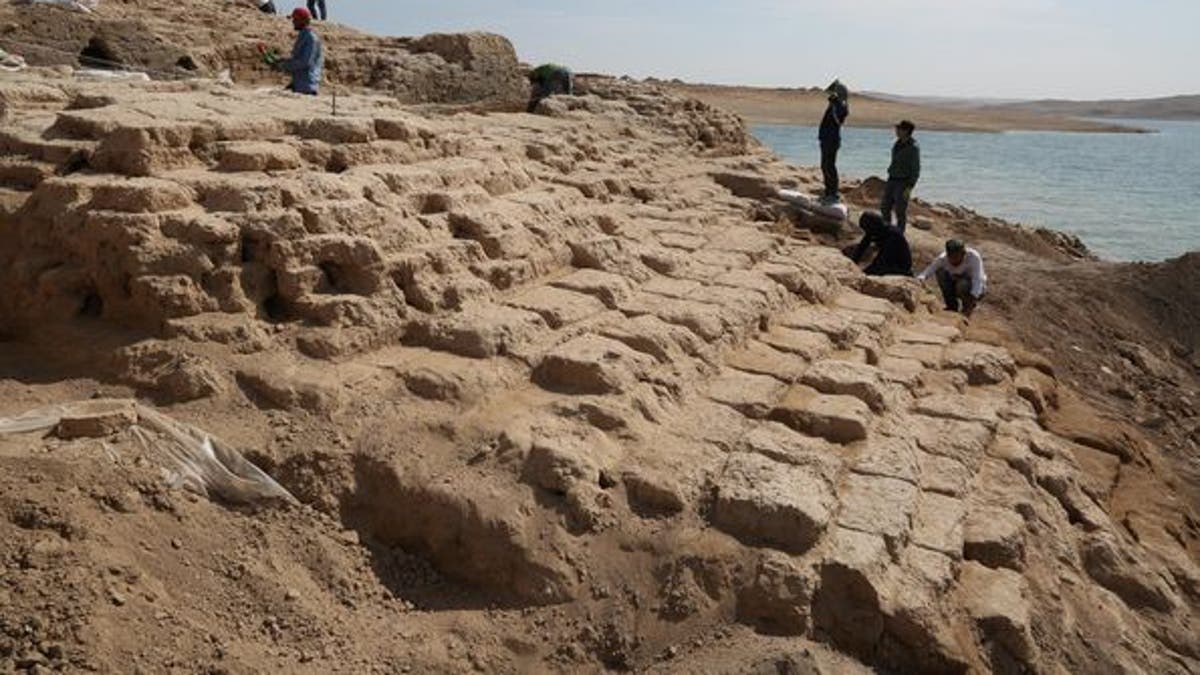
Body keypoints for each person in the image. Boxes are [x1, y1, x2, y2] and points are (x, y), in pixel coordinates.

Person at [917, 239, 987, 316]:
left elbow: (978, 281)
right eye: (951, 257)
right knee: (940, 273)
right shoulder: (943, 258)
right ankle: (952, 306)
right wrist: (920, 280)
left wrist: (972, 301)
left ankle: (966, 307)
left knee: (962, 284)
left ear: (963, 254)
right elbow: (928, 271)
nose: (954, 260)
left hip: (974, 288)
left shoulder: (973, 257)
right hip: (955, 283)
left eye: (957, 257)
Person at [269, 8, 324, 95]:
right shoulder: (303, 36)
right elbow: (297, 58)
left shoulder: (311, 39)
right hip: (299, 84)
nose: (293, 22)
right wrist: (281, 61)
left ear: (303, 20)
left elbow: (305, 62)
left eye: (296, 19)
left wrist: (283, 66)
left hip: (307, 86)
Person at [881, 119, 920, 232]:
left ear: (906, 131)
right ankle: (886, 232)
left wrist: (910, 186)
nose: (896, 131)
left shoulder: (913, 148)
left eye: (899, 129)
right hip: (892, 179)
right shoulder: (897, 143)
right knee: (885, 207)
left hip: (903, 182)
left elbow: (915, 169)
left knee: (900, 211)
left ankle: (899, 236)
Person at [847, 212, 913, 277]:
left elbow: (883, 259)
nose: (866, 232)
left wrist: (866, 273)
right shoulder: (876, 229)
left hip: (901, 266)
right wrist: (852, 264)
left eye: (866, 229)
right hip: (889, 261)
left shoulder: (893, 235)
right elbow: (861, 247)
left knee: (874, 272)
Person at [818, 80, 849, 204]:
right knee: (825, 166)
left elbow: (838, 120)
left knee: (829, 166)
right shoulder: (835, 105)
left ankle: (833, 193)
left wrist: (835, 102)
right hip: (826, 139)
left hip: (831, 140)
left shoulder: (841, 106)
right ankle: (828, 192)